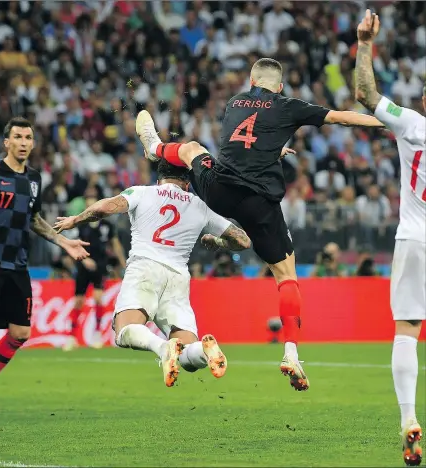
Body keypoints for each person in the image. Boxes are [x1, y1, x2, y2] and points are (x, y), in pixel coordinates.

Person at [135, 59, 384, 391]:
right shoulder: (287, 106)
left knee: (193, 148)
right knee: (286, 277)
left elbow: (243, 141)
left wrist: (273, 149)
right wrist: (386, 122)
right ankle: (291, 353)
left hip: (219, 192)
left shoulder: (235, 102)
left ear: (252, 80)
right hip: (259, 204)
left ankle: (155, 148)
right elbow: (341, 118)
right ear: (280, 87)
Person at [54, 159, 251, 387]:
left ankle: (161, 348)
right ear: (187, 184)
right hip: (178, 277)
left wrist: (75, 219)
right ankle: (203, 351)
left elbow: (103, 208)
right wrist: (217, 241)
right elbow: (242, 240)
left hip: (145, 268)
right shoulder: (200, 206)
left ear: (159, 180)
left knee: (124, 329)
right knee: (187, 354)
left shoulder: (142, 192)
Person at [0, 117, 90, 418]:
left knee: (20, 333)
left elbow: (34, 220)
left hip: (18, 266)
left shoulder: (35, 179)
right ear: (6, 142)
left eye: (28, 137)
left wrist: (64, 243)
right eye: (18, 137)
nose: (24, 142)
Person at [355, 10, 425, 466]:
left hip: (415, 239)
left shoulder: (413, 124)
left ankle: (408, 419)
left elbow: (365, 93)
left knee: (407, 330)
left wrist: (364, 42)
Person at [64, 189, 126, 351]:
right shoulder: (81, 224)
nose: (90, 203)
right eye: (88, 201)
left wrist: (123, 263)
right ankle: (72, 337)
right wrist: (84, 260)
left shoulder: (107, 225)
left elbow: (115, 244)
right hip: (83, 265)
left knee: (99, 298)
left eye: (93, 200)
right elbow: (74, 245)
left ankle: (97, 335)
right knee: (79, 301)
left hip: (100, 265)